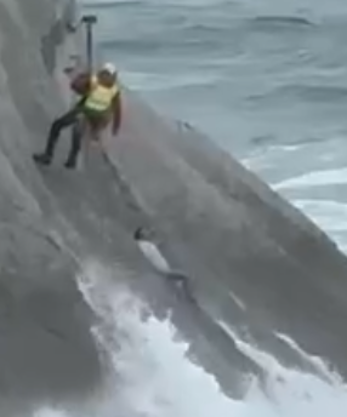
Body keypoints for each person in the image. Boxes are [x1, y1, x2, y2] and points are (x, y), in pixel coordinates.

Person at [33, 62, 121, 169]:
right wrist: (115, 128)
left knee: (60, 126)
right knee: (77, 130)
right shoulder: (113, 89)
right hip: (98, 117)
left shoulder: (95, 81)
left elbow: (75, 86)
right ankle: (72, 159)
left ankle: (49, 155)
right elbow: (117, 110)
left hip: (87, 112)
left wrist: (85, 77)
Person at [134, 227, 194, 301]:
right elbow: (145, 255)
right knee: (185, 277)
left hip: (163, 271)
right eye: (145, 231)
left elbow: (155, 246)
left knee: (175, 289)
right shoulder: (143, 245)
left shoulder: (146, 244)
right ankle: (189, 298)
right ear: (141, 235)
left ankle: (186, 301)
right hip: (164, 272)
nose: (147, 232)